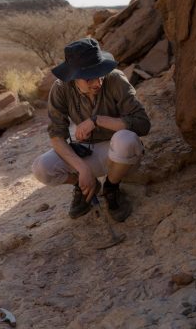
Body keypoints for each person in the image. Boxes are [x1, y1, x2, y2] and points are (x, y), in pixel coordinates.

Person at [32, 37, 150, 222]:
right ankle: (87, 185)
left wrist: (97, 120)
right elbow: (56, 135)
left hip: (119, 154)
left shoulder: (116, 79)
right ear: (73, 77)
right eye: (89, 78)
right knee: (42, 168)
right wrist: (82, 170)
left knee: (126, 139)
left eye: (99, 73)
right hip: (87, 153)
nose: (97, 83)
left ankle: (111, 188)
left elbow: (143, 124)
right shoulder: (61, 89)